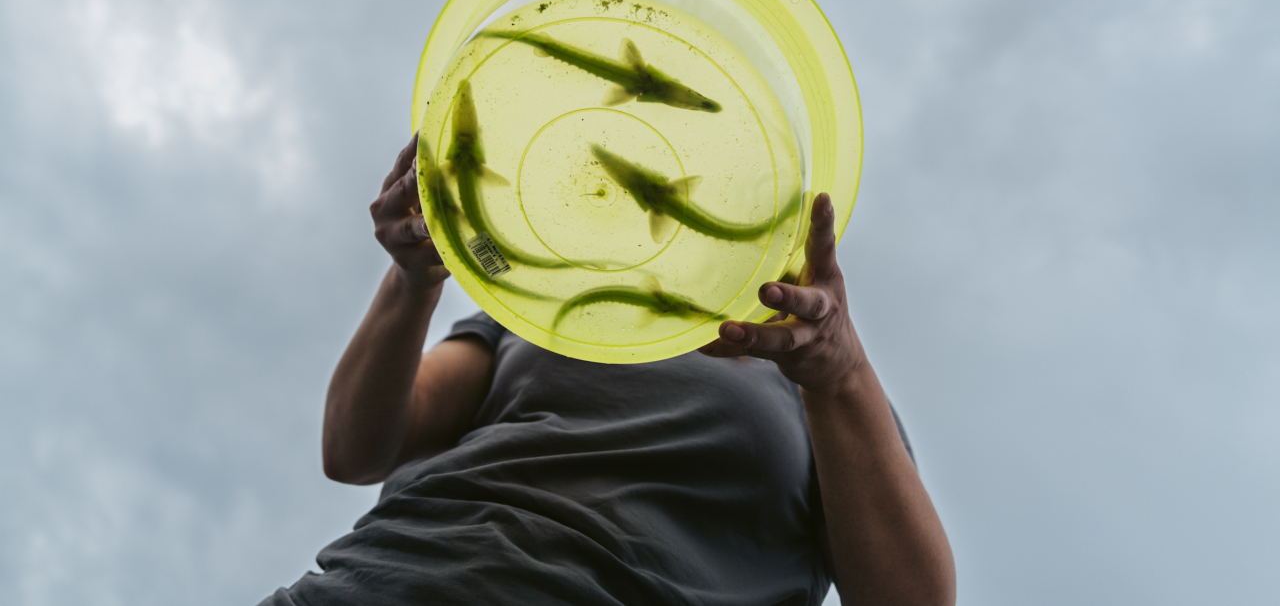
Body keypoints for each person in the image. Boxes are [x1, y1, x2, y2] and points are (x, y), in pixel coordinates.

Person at [260, 135, 955, 606]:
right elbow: (354, 449)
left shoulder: (829, 395)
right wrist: (414, 280)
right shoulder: (543, 311)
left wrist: (839, 374)